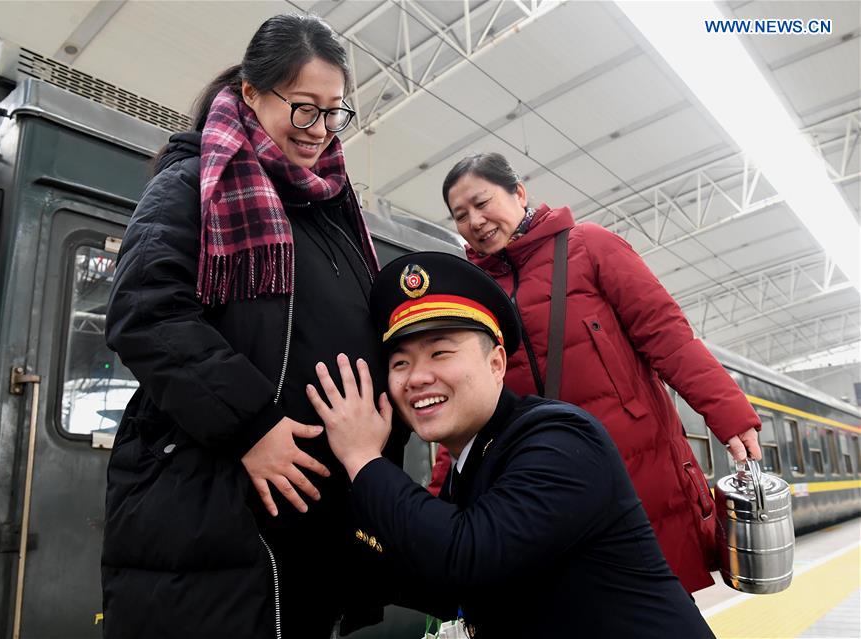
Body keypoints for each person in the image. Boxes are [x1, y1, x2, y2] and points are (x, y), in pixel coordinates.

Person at [101, 14, 406, 638]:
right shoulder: (194, 185)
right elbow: (145, 310)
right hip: (219, 507)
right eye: (304, 108)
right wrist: (250, 425)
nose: (319, 130)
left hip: (315, 523)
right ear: (251, 92)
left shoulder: (330, 210)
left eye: (334, 112)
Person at [306, 251, 716, 638]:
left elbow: (465, 558)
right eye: (400, 363)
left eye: (440, 353)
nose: (417, 377)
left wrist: (363, 458)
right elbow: (441, 588)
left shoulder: (560, 440)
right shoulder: (474, 462)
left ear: (496, 363)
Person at [429, 151, 762, 593]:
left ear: (519, 193)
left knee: (655, 606)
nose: (475, 221)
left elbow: (667, 335)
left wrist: (730, 416)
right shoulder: (472, 295)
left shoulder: (589, 247)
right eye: (460, 215)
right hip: (543, 481)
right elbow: (468, 403)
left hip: (635, 464)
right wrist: (440, 496)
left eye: (482, 202)